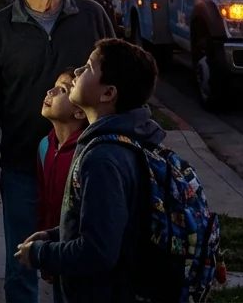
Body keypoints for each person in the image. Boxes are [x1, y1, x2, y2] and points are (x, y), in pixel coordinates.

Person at [0, 0, 115, 303]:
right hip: (22, 167)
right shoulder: (0, 29)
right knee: (22, 265)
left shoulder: (91, 15)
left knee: (78, 267)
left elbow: (120, 84)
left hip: (85, 165)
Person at [15, 38, 163, 303]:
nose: (78, 74)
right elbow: (108, 225)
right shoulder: (119, 142)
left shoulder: (102, 158)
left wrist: (40, 253)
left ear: (107, 94)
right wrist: (55, 235)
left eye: (88, 68)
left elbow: (98, 251)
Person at [36, 68, 89, 300]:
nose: (51, 91)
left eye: (63, 90)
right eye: (55, 85)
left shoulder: (87, 154)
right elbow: (44, 201)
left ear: (79, 111)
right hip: (57, 252)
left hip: (80, 258)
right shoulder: (45, 146)